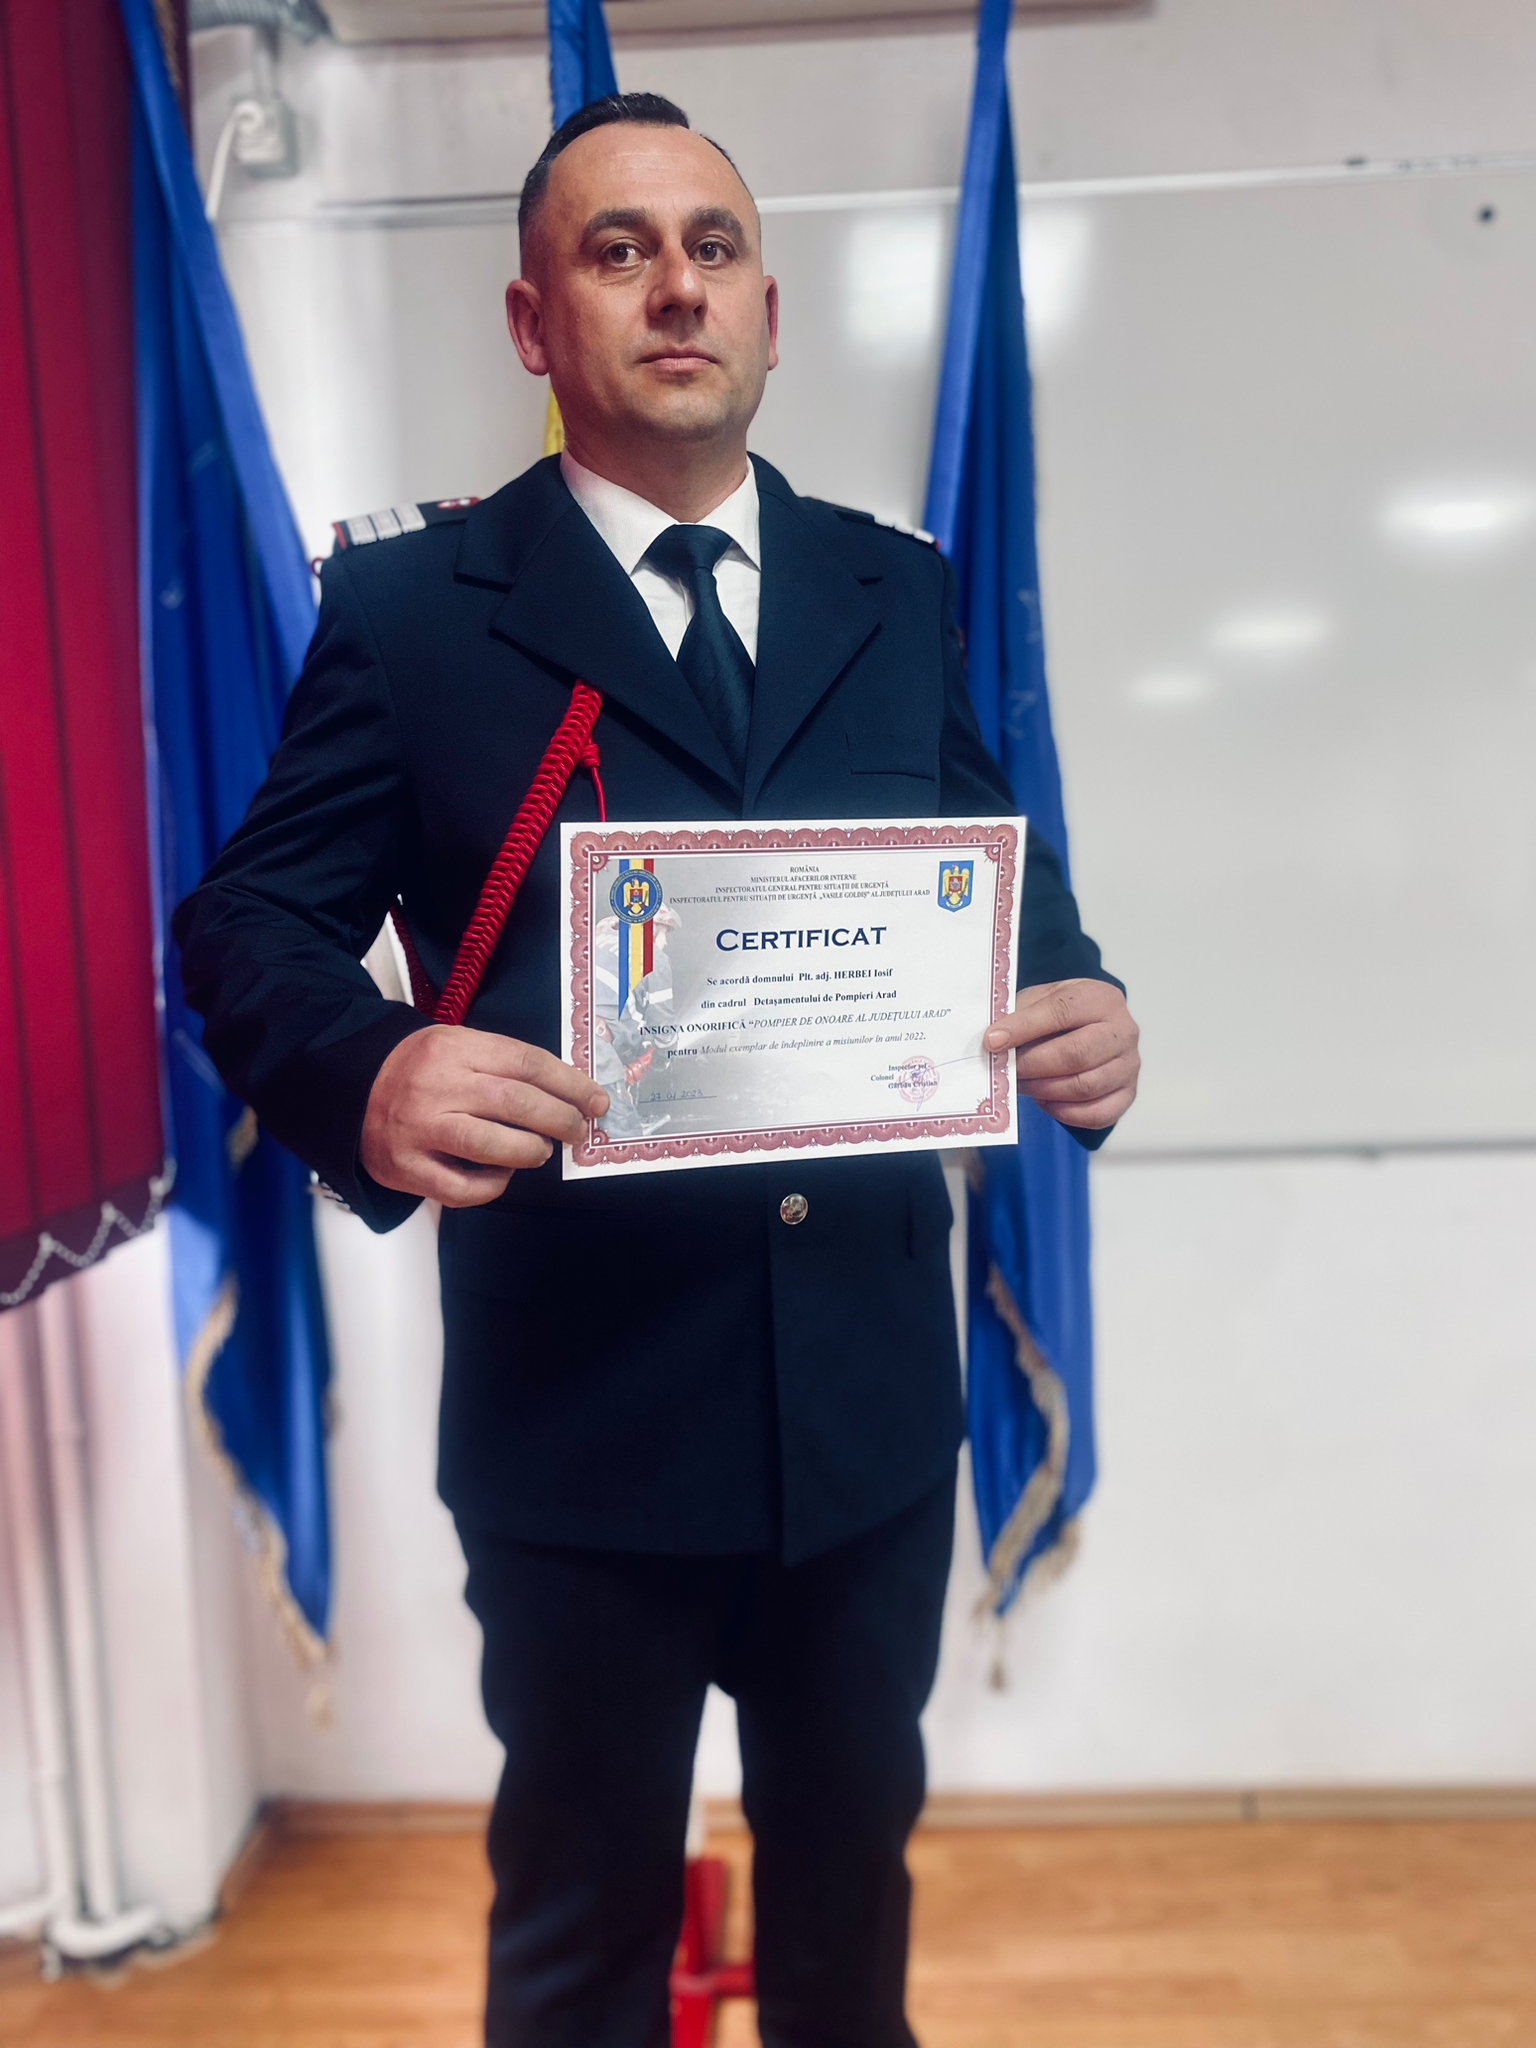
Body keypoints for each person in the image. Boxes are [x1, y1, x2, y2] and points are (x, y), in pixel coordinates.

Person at [175, 92, 1139, 2048]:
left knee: (850, 1936)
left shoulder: (895, 589)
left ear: (771, 311)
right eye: (618, 252)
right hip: (584, 1421)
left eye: (713, 248)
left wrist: (1078, 990)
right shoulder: (414, 613)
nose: (676, 287)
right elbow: (245, 923)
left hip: (868, 1414)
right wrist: (372, 1066)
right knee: (580, 1948)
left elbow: (986, 859)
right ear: (537, 325)